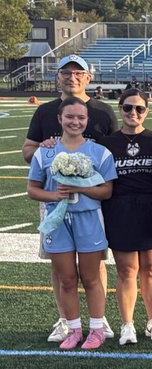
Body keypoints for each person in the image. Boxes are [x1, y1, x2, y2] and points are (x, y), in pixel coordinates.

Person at [24, 55, 117, 343]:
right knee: (63, 273)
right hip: (56, 213)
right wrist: (45, 147)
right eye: (66, 72)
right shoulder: (45, 116)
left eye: (78, 72)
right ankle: (68, 323)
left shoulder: (102, 113)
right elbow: (30, 157)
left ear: (88, 77)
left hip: (89, 213)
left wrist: (84, 188)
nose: (72, 77)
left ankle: (99, 325)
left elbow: (111, 164)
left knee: (93, 270)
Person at [99, 89, 152, 345]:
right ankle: (127, 324)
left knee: (151, 269)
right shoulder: (107, 143)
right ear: (120, 109)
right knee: (127, 270)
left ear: (146, 112)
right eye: (128, 108)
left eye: (139, 109)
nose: (133, 113)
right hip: (119, 211)